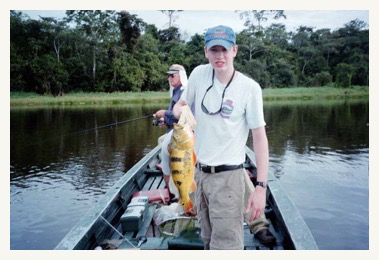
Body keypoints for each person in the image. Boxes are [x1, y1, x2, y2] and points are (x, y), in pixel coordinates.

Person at [173, 25, 275, 249]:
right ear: (205, 51)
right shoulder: (199, 74)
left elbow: (259, 138)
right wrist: (179, 113)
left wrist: (261, 187)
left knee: (226, 246)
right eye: (214, 50)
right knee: (208, 240)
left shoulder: (250, 88)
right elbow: (181, 105)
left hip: (229, 179)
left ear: (235, 50)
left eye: (225, 50)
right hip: (200, 175)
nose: (220, 56)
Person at [154, 64, 188, 189]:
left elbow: (183, 115)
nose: (169, 78)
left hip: (183, 132)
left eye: (172, 75)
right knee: (161, 140)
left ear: (181, 76)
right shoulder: (176, 91)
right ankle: (168, 171)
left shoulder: (184, 92)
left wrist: (163, 113)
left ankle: (169, 186)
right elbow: (173, 116)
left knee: (164, 147)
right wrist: (165, 121)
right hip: (173, 129)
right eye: (168, 76)